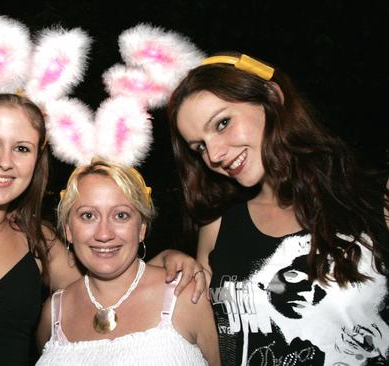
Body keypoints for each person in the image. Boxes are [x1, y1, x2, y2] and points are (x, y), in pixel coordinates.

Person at [0, 93, 205, 365]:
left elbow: (109, 281)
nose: (5, 162)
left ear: (36, 160)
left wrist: (166, 259)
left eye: (21, 148)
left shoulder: (39, 242)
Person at [167, 52, 389, 365]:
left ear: (271, 96)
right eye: (199, 147)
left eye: (222, 123)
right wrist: (166, 261)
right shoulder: (217, 228)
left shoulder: (376, 202)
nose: (214, 154)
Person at [35, 158, 219, 365]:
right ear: (68, 229)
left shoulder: (186, 295)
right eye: (88, 215)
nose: (104, 234)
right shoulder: (53, 313)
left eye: (121, 215)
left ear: (141, 228)